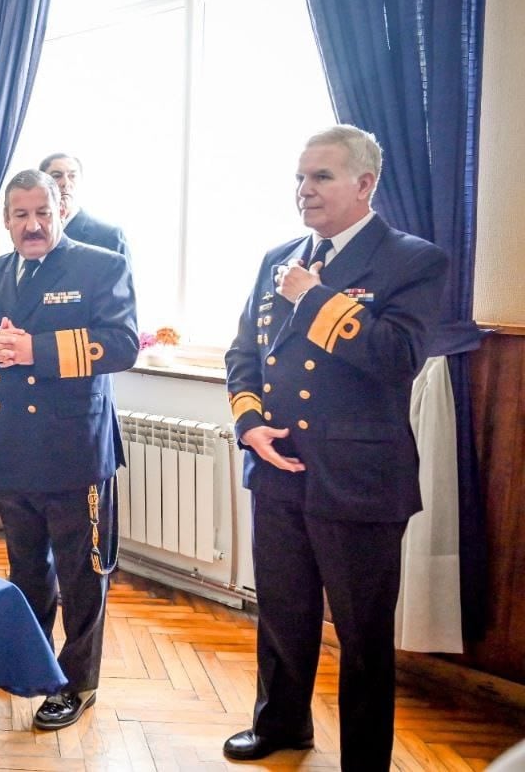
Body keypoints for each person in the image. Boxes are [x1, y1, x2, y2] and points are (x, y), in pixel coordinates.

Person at [222, 125, 449, 769]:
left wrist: (314, 299)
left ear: (364, 184)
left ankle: (366, 759)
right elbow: (245, 353)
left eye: (321, 177)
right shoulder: (277, 257)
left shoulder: (412, 259)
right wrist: (249, 424)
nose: (304, 190)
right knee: (284, 615)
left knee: (363, 635)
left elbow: (397, 356)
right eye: (300, 177)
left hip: (359, 479)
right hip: (278, 469)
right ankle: (282, 726)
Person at [0, 169, 138, 730]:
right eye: (20, 215)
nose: (32, 225)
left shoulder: (99, 264)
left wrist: (35, 349)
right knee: (27, 567)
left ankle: (78, 682)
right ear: (7, 220)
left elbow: (124, 344)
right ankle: (33, 664)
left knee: (84, 575)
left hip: (72, 448)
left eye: (42, 213)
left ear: (60, 210)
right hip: (11, 446)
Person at [39, 153, 130, 259]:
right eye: (57, 176)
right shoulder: (32, 230)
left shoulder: (109, 235)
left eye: (72, 176)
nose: (66, 183)